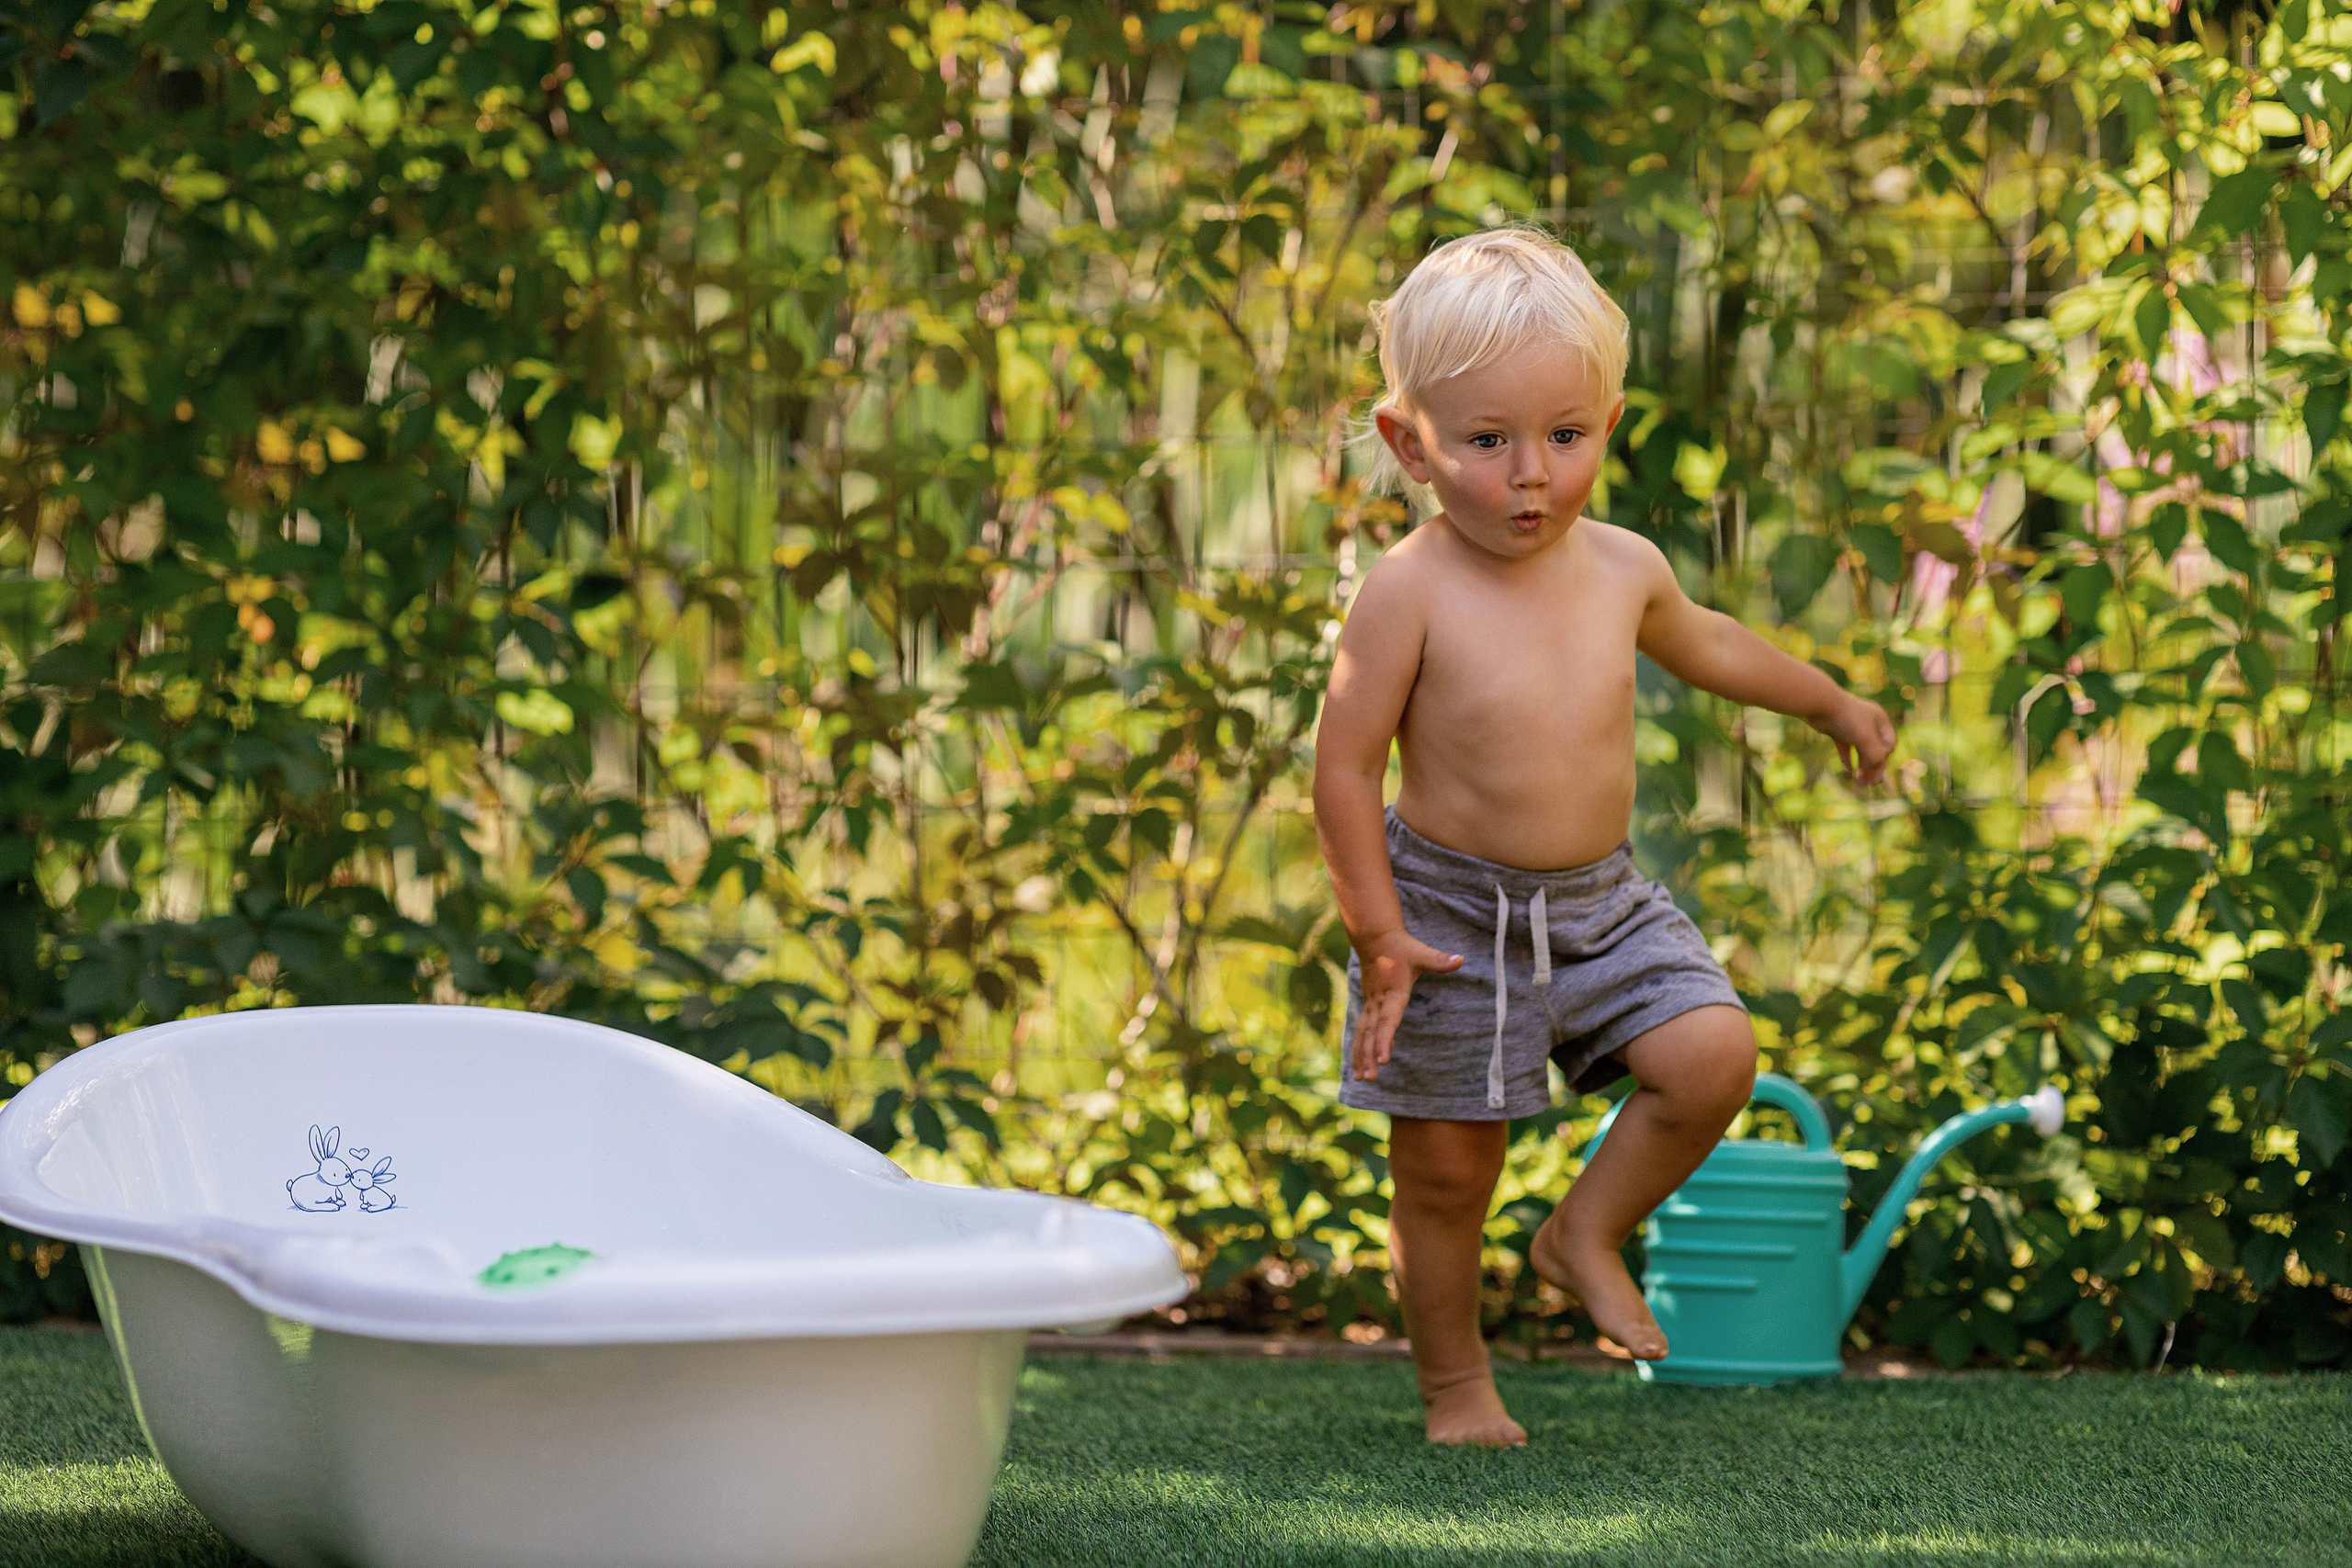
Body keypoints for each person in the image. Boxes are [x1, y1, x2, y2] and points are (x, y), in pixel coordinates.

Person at [1314, 226, 1896, 1445]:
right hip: (1448, 920)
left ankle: (1585, 1227)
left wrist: (1830, 700)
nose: (1532, 475)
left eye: (1564, 437)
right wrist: (1379, 933)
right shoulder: (1409, 590)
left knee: (1712, 1058)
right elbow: (1345, 763)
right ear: (1406, 442)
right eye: (1487, 442)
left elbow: (1717, 645)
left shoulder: (1623, 568)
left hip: (1603, 901)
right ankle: (1456, 1389)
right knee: (1443, 1175)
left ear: (1608, 425)